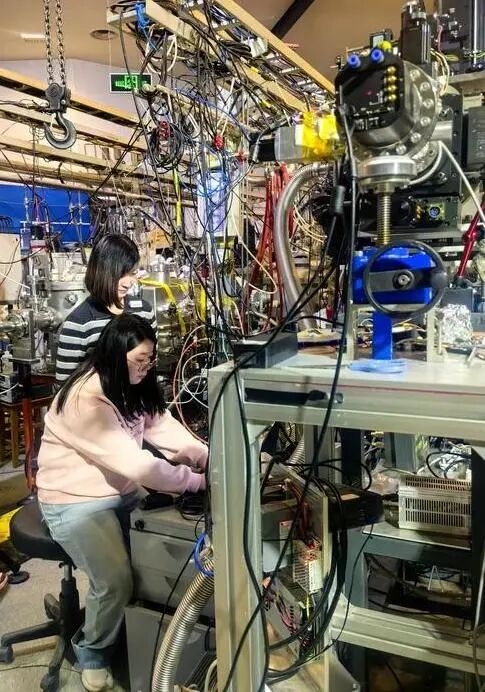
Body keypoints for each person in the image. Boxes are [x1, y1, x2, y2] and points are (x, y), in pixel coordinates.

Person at [37, 314, 207, 692]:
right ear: (115, 355)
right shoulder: (85, 399)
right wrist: (196, 481)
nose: (146, 368)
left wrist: (207, 457)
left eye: (150, 359)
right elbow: (138, 465)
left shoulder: (129, 384)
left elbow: (162, 428)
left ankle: (137, 634)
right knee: (115, 579)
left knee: (162, 553)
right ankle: (93, 654)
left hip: (122, 492)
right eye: (139, 360)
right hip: (74, 501)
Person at [55, 233, 156, 384]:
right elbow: (65, 387)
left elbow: (152, 365)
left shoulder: (144, 311)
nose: (128, 283)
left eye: (133, 273)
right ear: (101, 272)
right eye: (120, 275)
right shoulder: (79, 323)